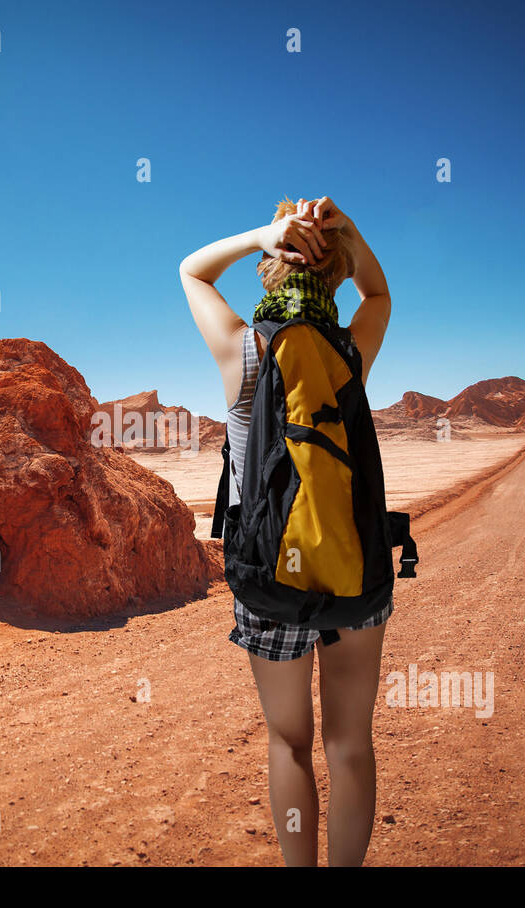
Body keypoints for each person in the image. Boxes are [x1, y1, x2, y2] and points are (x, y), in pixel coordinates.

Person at [179, 195, 393, 866]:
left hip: (269, 574)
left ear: (272, 271)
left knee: (289, 742)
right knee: (350, 744)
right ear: (333, 277)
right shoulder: (349, 353)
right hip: (355, 569)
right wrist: (344, 233)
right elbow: (379, 291)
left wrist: (264, 234)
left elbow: (191, 272)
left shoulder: (244, 352)